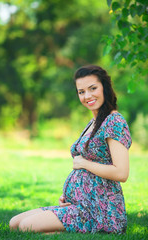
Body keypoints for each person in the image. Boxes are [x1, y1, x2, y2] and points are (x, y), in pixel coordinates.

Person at [9, 65, 132, 234]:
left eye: (93, 88)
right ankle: (67, 227)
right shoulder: (94, 121)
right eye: (81, 92)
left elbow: (121, 173)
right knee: (14, 223)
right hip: (80, 205)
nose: (87, 96)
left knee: (25, 226)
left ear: (105, 87)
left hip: (100, 212)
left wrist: (83, 163)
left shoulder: (114, 121)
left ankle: (71, 231)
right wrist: (72, 195)